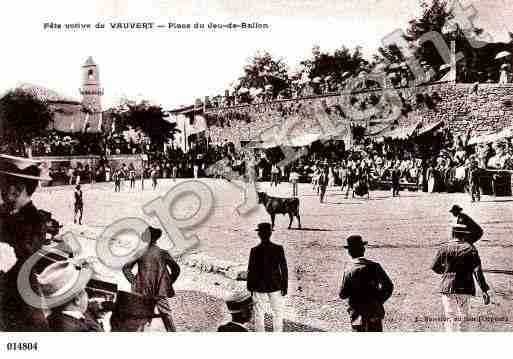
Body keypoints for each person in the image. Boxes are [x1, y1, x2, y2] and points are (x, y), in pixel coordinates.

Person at [0, 154, 52, 331]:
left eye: (3, 187)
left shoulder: (35, 220)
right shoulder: (6, 213)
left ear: (17, 189)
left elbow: (24, 253)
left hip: (18, 296)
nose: (1, 192)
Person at [120, 226, 180, 331]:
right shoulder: (163, 253)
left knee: (141, 317)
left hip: (143, 289)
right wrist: (167, 283)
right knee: (166, 316)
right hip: (160, 291)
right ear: (156, 239)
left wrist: (134, 281)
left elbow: (126, 268)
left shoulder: (140, 252)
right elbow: (176, 270)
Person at [431, 224, 491, 331]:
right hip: (465, 287)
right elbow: (477, 271)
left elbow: (435, 267)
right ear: (465, 235)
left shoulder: (444, 247)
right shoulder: (471, 249)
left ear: (452, 234)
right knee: (464, 317)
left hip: (447, 287)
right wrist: (484, 290)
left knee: (450, 317)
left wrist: (446, 272)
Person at [339, 235, 394, 332]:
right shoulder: (375, 266)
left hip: (357, 313)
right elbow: (388, 286)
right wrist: (378, 301)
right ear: (363, 249)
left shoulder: (349, 269)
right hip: (374, 311)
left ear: (349, 252)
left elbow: (343, 294)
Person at [39, 261, 103, 332]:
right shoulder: (80, 330)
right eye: (85, 290)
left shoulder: (52, 320)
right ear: (77, 299)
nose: (87, 295)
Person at [247, 223, 288, 332]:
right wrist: (285, 286)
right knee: (278, 312)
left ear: (259, 234)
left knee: (259, 313)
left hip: (259, 286)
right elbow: (284, 269)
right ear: (270, 233)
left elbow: (251, 271)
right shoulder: (278, 248)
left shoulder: (254, 250)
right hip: (275, 285)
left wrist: (250, 287)